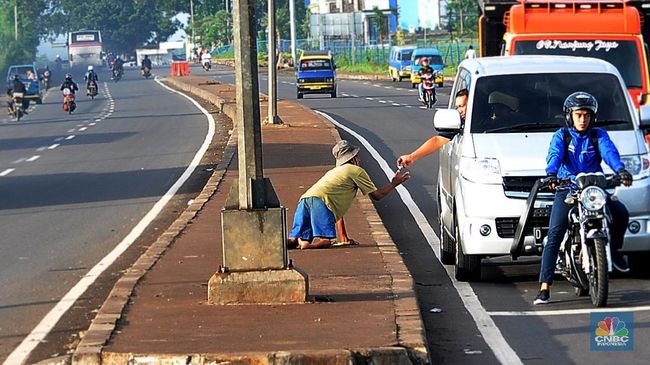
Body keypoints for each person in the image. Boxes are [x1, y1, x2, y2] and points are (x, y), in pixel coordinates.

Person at [533, 91, 633, 305]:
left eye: (587, 115)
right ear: (569, 115)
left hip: (594, 189)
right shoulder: (562, 135)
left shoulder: (598, 135)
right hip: (567, 188)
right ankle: (544, 286)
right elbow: (554, 155)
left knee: (621, 213)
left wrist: (620, 170)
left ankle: (613, 252)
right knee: (555, 233)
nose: (582, 119)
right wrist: (551, 174)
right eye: (578, 114)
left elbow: (610, 153)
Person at [288, 140, 410, 249]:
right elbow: (377, 195)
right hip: (321, 202)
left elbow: (336, 212)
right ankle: (307, 246)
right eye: (357, 156)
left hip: (305, 199)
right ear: (353, 157)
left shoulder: (334, 172)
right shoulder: (355, 171)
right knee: (325, 241)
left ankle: (283, 245)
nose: (360, 159)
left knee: (294, 240)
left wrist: (344, 238)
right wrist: (394, 184)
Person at [397, 89, 468, 168]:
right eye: (457, 107)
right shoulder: (459, 122)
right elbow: (438, 140)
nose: (459, 111)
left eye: (461, 106)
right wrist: (411, 157)